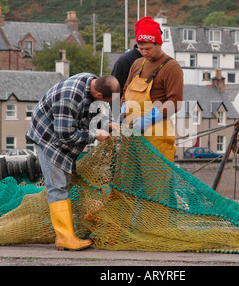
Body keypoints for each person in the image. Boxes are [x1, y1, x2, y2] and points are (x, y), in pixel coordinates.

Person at [26, 73, 120, 251]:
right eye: (107, 101)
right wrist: (95, 134)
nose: (106, 104)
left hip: (61, 133)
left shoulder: (91, 81)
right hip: (49, 138)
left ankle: (67, 233)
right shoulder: (69, 98)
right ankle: (64, 238)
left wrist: (107, 123)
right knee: (57, 185)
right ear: (99, 94)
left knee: (64, 184)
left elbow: (93, 111)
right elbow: (66, 135)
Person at [120, 16, 183, 162]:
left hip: (157, 137)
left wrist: (147, 120)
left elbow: (175, 102)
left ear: (159, 44)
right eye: (140, 48)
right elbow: (125, 92)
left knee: (155, 183)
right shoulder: (137, 64)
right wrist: (123, 112)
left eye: (148, 48)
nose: (144, 52)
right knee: (128, 181)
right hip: (130, 136)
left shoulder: (171, 67)